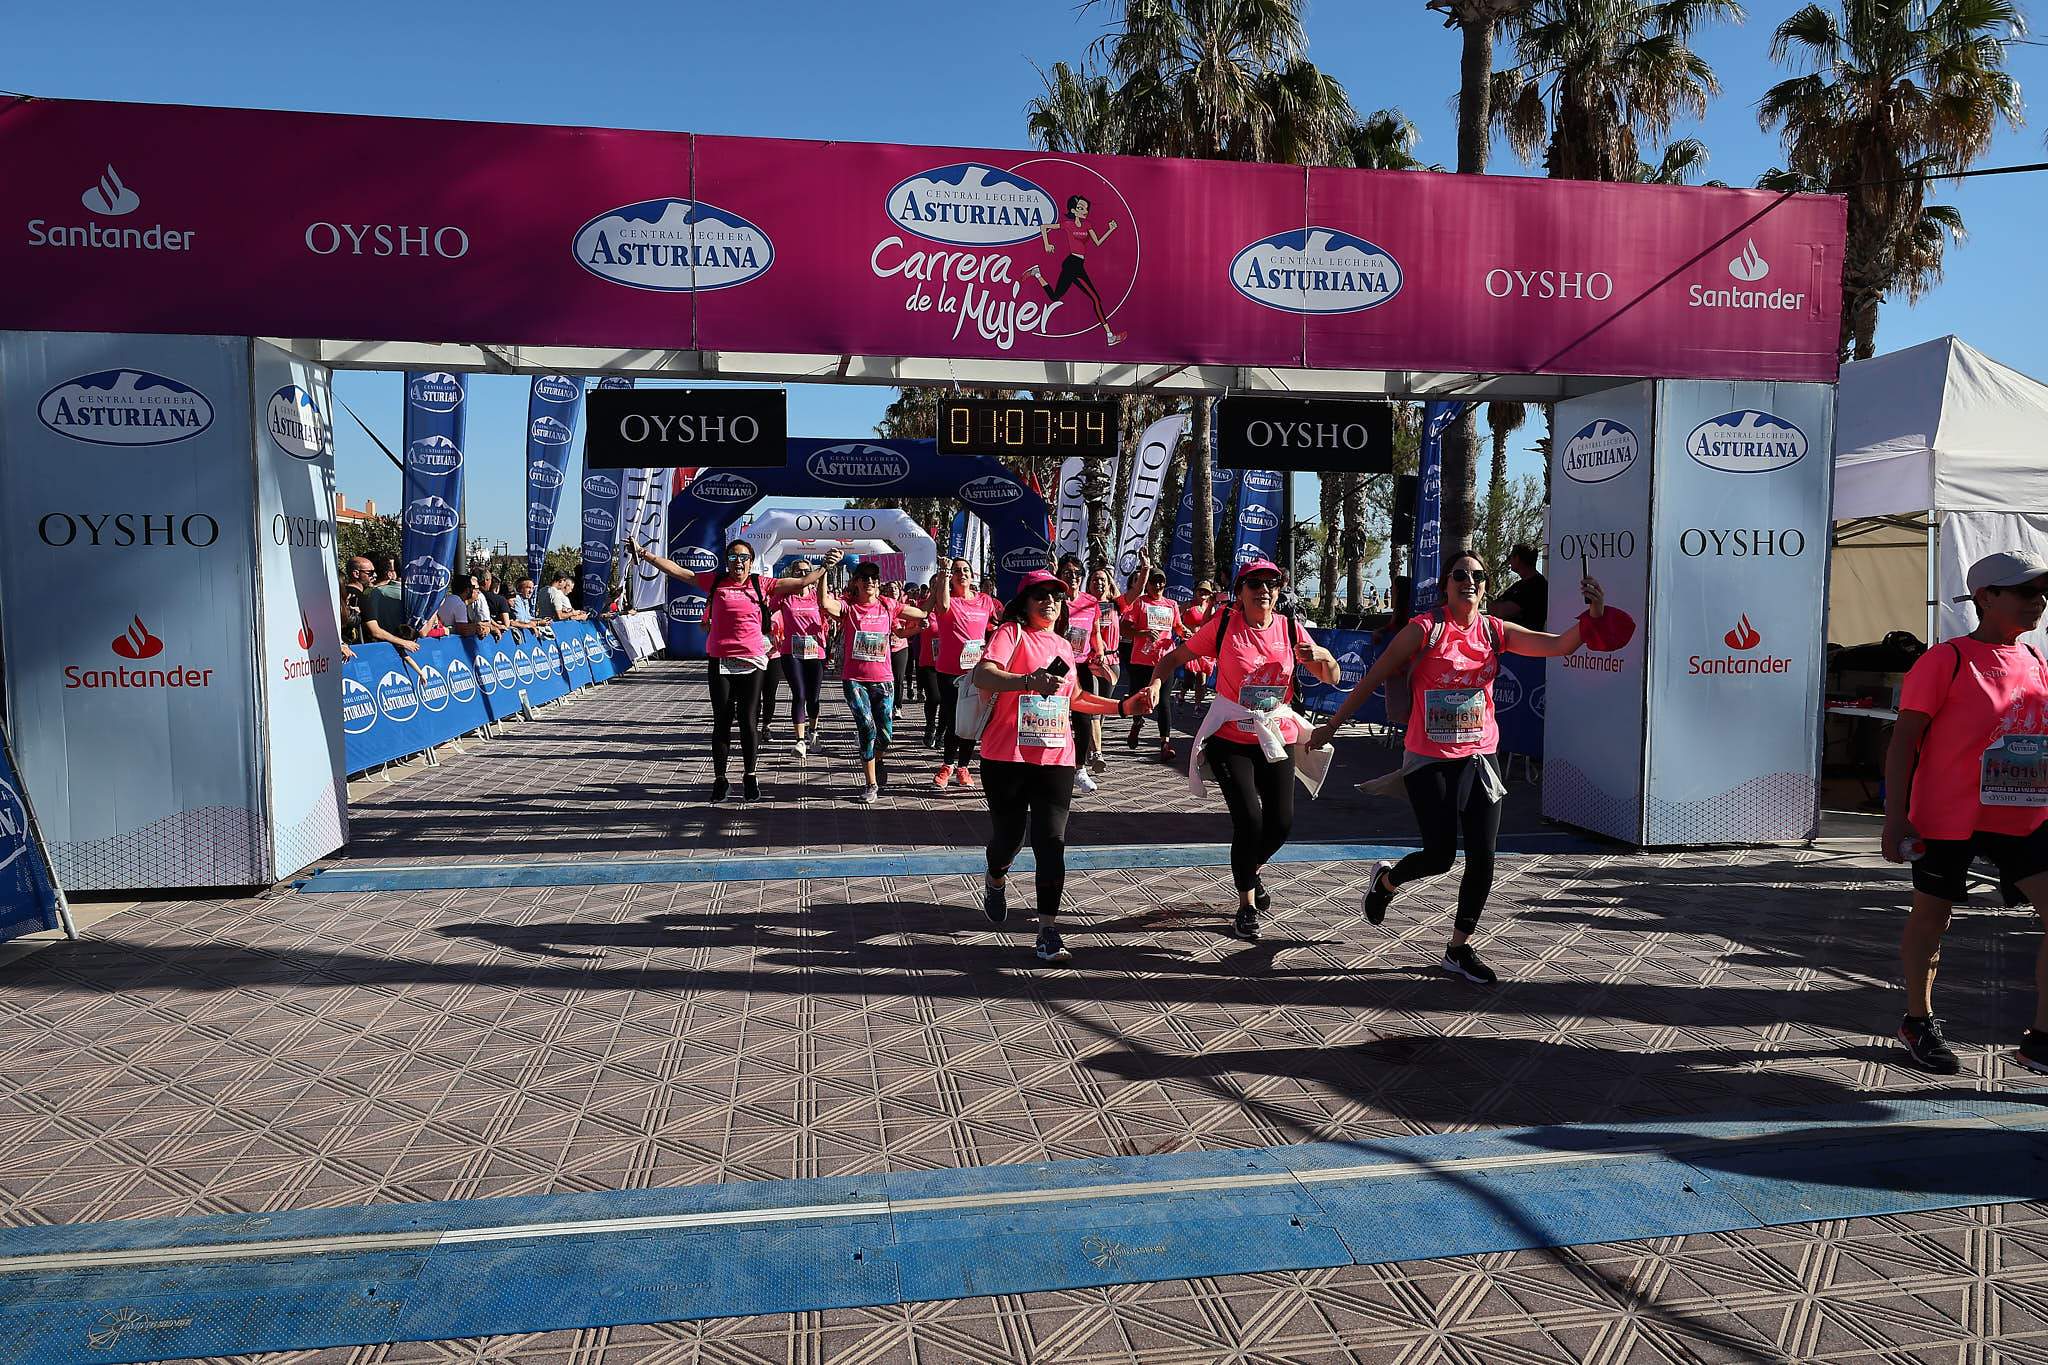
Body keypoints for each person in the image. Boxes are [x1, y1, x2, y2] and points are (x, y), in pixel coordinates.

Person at [1312, 552, 1620, 985]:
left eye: (1479, 575)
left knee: (1483, 855)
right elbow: (1373, 676)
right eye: (1460, 574)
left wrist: (1595, 613)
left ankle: (1457, 949)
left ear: (1486, 586)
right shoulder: (1426, 629)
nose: (1470, 581)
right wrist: (1331, 726)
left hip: (1480, 757)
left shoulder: (1495, 631)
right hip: (1429, 759)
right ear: (1445, 585)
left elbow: (1558, 645)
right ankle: (1387, 882)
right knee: (1439, 856)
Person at [1882, 550, 2048, 1076]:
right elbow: (1904, 740)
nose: (2038, 602)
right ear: (1986, 597)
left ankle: (2041, 1040)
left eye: (2042, 593)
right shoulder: (1946, 659)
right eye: (2025, 592)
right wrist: (1895, 817)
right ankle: (1917, 1019)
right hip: (1947, 816)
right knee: (1933, 917)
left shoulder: (2037, 659)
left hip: (2023, 817)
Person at [1151, 560, 1339, 942]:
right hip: (1231, 736)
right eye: (1255, 583)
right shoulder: (1224, 625)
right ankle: (1246, 905)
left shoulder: (1289, 627)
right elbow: (1173, 659)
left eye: (1272, 583)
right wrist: (1155, 685)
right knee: (1249, 820)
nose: (1264, 590)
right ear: (1240, 591)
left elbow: (1332, 677)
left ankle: (1249, 870)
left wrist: (1323, 658)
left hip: (1275, 736)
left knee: (1281, 823)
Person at [971, 570, 1153, 961]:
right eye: (1040, 594)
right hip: (1006, 757)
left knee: (1051, 843)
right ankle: (996, 876)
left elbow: (1076, 697)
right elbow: (982, 672)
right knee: (1009, 840)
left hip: (1056, 756)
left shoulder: (1063, 646)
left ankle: (1047, 930)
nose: (1050, 601)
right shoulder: (1010, 634)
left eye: (1056, 595)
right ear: (1024, 602)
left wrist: (1123, 707)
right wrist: (1027, 681)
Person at [631, 539, 841, 802]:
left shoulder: (760, 584)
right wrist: (645, 554)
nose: (737, 562)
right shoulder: (716, 582)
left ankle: (750, 776)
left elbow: (799, 583)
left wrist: (826, 566)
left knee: (748, 720)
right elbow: (678, 572)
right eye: (732, 557)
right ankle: (720, 780)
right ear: (726, 561)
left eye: (743, 558)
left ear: (751, 562)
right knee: (722, 721)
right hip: (720, 660)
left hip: (752, 661)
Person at [823, 561, 926, 804]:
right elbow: (826, 604)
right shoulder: (848, 608)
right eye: (865, 577)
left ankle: (876, 758)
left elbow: (921, 613)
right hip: (855, 679)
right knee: (867, 728)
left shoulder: (887, 605)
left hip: (883, 679)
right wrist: (824, 571)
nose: (870, 582)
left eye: (874, 578)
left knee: (886, 735)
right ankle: (871, 783)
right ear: (856, 582)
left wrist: (940, 584)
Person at [929, 557, 1000, 789]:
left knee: (971, 721)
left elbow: (1000, 621)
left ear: (973, 575)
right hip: (950, 671)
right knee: (953, 719)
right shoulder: (950, 601)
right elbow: (943, 605)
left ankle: (963, 767)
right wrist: (943, 572)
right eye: (958, 571)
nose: (962, 574)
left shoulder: (985, 601)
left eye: (966, 570)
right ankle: (947, 764)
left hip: (977, 672)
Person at [1024, 195, 1124, 347]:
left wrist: (1110, 230)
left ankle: (1037, 273)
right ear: (1073, 210)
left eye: (1086, 208)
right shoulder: (1068, 224)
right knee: (1095, 299)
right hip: (1072, 264)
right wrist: (1047, 244)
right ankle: (1110, 336)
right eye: (1081, 208)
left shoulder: (1087, 225)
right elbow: (1044, 227)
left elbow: (1097, 242)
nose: (1085, 211)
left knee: (1055, 297)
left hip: (1078, 265)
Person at [1118, 552, 1183, 761]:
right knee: (1140, 698)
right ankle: (1137, 723)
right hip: (1141, 660)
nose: (1158, 586)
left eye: (1161, 583)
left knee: (1164, 702)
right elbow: (1124, 628)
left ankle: (1165, 743)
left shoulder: (1171, 605)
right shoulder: (1139, 603)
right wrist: (1142, 633)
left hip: (1164, 660)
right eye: (1154, 582)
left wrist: (1185, 633)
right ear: (1147, 585)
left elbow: (1178, 627)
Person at [1055, 554, 1111, 793]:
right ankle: (1053, 764)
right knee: (1055, 717)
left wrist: (1099, 650)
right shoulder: (1054, 600)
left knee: (1084, 719)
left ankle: (1079, 768)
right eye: (1068, 573)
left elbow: (1096, 632)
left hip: (1082, 665)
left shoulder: (1090, 602)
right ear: (1059, 576)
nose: (1074, 578)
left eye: (1077, 574)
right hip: (1057, 664)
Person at [764, 558, 828, 758]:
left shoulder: (819, 596)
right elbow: (766, 611)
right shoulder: (785, 596)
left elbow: (833, 611)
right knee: (799, 695)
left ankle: (813, 731)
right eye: (798, 572)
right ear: (792, 574)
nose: (802, 575)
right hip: (791, 652)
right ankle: (800, 740)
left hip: (815, 652)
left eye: (806, 571)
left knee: (814, 697)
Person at [1176, 581, 1218, 705]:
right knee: (1191, 674)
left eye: (1206, 592)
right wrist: (1183, 630)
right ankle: (1181, 694)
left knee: (1202, 676)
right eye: (1201, 591)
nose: (1203, 594)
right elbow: (1175, 619)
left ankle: (1197, 705)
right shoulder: (1187, 605)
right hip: (1188, 642)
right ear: (1195, 592)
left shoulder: (1210, 607)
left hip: (1204, 643)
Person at [1488, 546, 1549, 627]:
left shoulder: (1536, 585)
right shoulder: (1520, 584)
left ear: (1517, 558)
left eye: (1510, 557)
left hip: (1525, 637)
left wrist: (1491, 605)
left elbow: (1501, 611)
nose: (1509, 561)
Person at [917, 578, 945, 747]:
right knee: (934, 697)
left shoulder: (951, 607)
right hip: (929, 661)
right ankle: (930, 727)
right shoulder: (923, 606)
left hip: (950, 662)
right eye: (935, 584)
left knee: (947, 701)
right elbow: (916, 619)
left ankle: (942, 732)